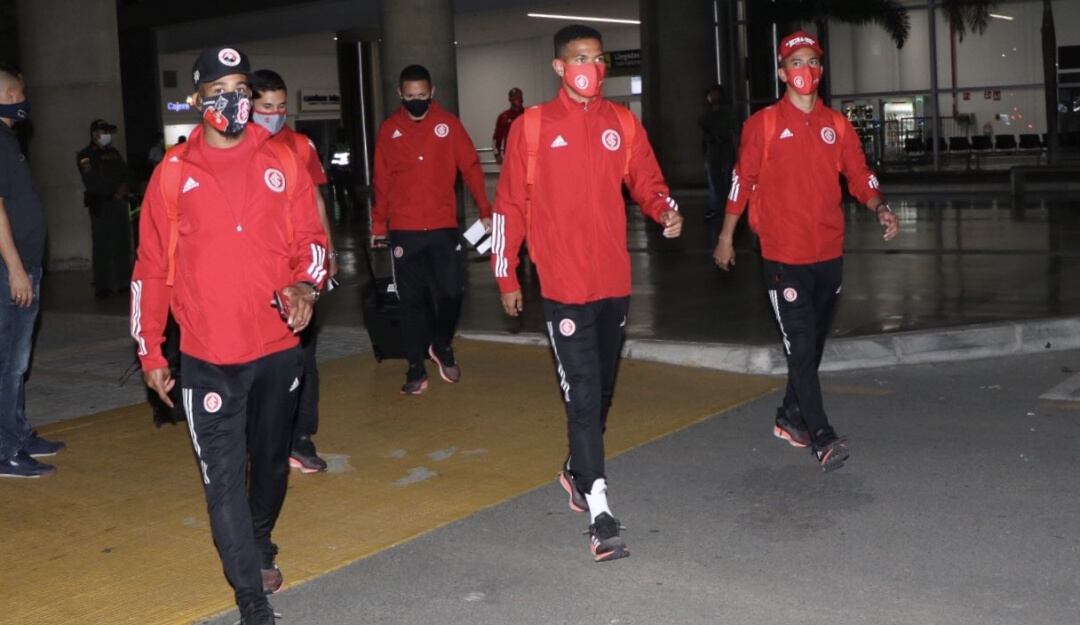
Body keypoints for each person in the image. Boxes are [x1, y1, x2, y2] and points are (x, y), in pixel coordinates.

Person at [130, 46, 328, 625]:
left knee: (269, 465)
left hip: (278, 348)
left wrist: (306, 286)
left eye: (240, 89)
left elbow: (313, 243)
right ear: (196, 100)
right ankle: (250, 598)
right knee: (222, 480)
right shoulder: (172, 174)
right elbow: (150, 268)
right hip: (208, 357)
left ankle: (259, 539)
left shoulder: (283, 159)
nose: (232, 100)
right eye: (218, 91)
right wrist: (150, 349)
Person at [491, 25, 684, 562]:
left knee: (600, 394)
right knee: (582, 393)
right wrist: (506, 277)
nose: (591, 68)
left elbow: (647, 180)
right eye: (580, 58)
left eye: (599, 59)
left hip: (613, 283)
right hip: (563, 287)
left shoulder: (621, 122)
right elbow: (508, 207)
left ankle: (578, 470)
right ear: (559, 66)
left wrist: (665, 210)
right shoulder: (532, 128)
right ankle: (600, 511)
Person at [713, 31, 899, 473]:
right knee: (800, 346)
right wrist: (726, 236)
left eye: (812, 61)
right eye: (795, 62)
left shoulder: (837, 125)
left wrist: (880, 206)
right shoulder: (763, 125)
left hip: (828, 254)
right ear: (782, 72)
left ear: (821, 70)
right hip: (783, 256)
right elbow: (741, 181)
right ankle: (822, 436)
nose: (804, 69)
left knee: (810, 348)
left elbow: (859, 175)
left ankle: (789, 417)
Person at [371, 64, 491, 395]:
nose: (416, 101)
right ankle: (415, 366)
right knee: (411, 301)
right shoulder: (389, 130)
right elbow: (382, 180)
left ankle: (441, 343)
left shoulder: (448, 125)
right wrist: (379, 223)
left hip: (443, 227)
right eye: (410, 96)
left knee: (452, 292)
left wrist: (485, 210)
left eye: (422, 95)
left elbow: (471, 167)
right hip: (404, 229)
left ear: (432, 92)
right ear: (400, 94)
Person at [251, 68, 335, 473]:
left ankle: (300, 437)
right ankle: (261, 436)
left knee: (303, 355)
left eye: (281, 106)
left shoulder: (299, 146)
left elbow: (315, 202)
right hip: (257, 273)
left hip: (298, 269)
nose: (275, 114)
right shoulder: (237, 149)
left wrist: (328, 252)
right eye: (266, 107)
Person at [0, 63, 65, 479]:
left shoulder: (8, 139)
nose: (25, 100)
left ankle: (18, 435)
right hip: (10, 270)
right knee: (7, 362)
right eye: (21, 93)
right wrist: (15, 269)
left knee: (17, 362)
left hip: (23, 266)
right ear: (10, 96)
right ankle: (5, 449)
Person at [77, 118, 135, 298]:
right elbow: (91, 180)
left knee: (122, 243)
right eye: (105, 132)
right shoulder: (85, 155)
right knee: (102, 245)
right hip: (101, 204)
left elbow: (126, 173)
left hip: (119, 203)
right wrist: (112, 192)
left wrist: (123, 188)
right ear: (95, 134)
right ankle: (103, 285)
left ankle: (123, 281)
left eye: (109, 132)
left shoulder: (114, 153)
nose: (108, 135)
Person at [699, 83, 737, 246]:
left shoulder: (727, 114)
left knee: (727, 179)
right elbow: (704, 134)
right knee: (714, 180)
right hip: (713, 150)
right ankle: (716, 207)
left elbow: (732, 132)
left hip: (725, 149)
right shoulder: (707, 115)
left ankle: (727, 207)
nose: (713, 97)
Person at [492, 87, 524, 164]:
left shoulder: (528, 114)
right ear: (510, 99)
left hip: (526, 155)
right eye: (515, 96)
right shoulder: (504, 117)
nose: (518, 98)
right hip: (510, 155)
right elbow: (496, 138)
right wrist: (497, 154)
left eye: (519, 96)